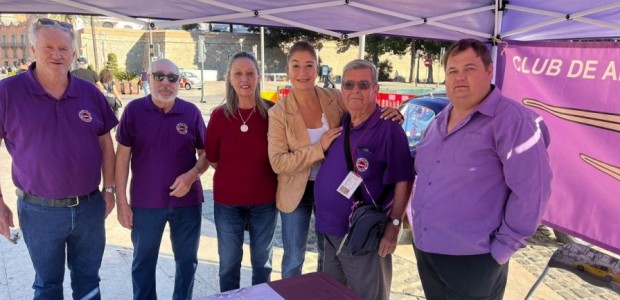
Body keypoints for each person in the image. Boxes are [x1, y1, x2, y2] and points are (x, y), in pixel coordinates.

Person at [410, 38, 553, 299]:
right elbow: (424, 169)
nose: (459, 78)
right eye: (452, 71)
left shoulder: (512, 120)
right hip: (428, 251)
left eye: (469, 69)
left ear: (489, 71)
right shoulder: (439, 121)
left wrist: (501, 250)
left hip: (474, 260)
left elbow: (533, 191)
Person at [0, 18, 117, 299]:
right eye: (48, 47)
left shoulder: (90, 93)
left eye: (63, 48)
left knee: (89, 281)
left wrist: (110, 189)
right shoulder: (7, 93)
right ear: (32, 49)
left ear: (74, 54)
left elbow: (106, 143)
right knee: (47, 285)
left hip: (90, 207)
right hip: (39, 211)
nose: (56, 54)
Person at [268, 41, 401, 279]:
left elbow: (362, 107)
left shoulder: (334, 97)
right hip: (295, 191)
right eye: (295, 66)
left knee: (326, 251)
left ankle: (323, 291)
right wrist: (318, 148)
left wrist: (389, 113)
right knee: (293, 258)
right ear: (287, 70)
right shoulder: (278, 113)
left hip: (334, 192)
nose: (302, 72)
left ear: (318, 69)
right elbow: (278, 162)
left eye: (309, 65)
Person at [314, 59, 413, 300]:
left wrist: (394, 226)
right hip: (328, 233)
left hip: (363, 236)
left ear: (375, 89)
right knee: (332, 296)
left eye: (363, 84)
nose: (355, 90)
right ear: (342, 90)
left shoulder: (389, 128)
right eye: (348, 84)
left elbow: (405, 179)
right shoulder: (344, 121)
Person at [115, 58, 208, 300]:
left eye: (172, 78)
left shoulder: (191, 112)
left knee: (187, 263)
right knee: (143, 263)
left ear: (179, 82)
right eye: (159, 76)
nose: (166, 82)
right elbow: (122, 158)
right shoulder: (133, 111)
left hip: (187, 204)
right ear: (148, 78)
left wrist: (192, 175)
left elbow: (205, 154)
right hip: (145, 204)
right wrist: (122, 203)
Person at [205, 52, 278, 292]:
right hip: (228, 202)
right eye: (238, 73)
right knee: (228, 264)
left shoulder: (274, 113)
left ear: (258, 76)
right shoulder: (219, 115)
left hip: (265, 201)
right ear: (230, 78)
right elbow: (213, 159)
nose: (244, 79)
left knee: (262, 264)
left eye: (250, 73)